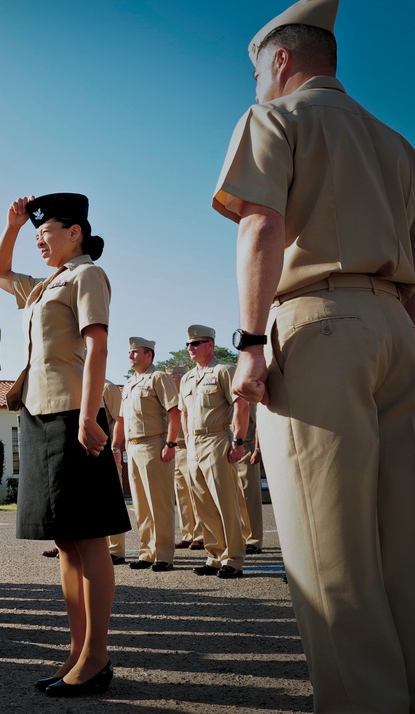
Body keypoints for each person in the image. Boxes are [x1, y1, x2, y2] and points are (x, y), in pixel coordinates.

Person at [214, 0, 415, 708]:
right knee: (401, 553)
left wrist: (246, 345)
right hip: (396, 324)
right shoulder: (395, 142)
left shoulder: (275, 117)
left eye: (259, 74)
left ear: (280, 61)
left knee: (330, 560)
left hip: (317, 326)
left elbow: (261, 222)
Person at [0, 193, 128, 697]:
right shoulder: (44, 285)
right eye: (36, 235)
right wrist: (11, 226)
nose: (38, 240)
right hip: (40, 414)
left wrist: (90, 415)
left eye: (46, 231)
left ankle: (97, 656)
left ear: (76, 232)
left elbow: (98, 346)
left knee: (89, 538)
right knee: (67, 540)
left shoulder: (86, 275)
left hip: (74, 414)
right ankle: (77, 650)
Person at [178, 326, 248, 579]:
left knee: (225, 502)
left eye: (196, 342)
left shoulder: (225, 371)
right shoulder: (187, 378)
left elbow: (241, 406)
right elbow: (183, 412)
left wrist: (238, 441)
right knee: (203, 504)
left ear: (211, 344)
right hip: (194, 444)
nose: (191, 348)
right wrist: (186, 438)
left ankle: (234, 559)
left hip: (217, 438)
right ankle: (215, 556)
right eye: (188, 344)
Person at [116, 337, 180, 572]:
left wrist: (170, 443)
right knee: (141, 504)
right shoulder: (130, 382)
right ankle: (147, 552)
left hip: (154, 444)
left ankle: (163, 554)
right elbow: (122, 420)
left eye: (135, 352)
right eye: (129, 352)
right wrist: (118, 445)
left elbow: (174, 412)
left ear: (148, 355)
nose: (130, 356)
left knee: (159, 502)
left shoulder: (159, 377)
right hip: (132, 448)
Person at [166, 365, 201, 551]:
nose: (169, 381)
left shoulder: (189, 394)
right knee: (182, 496)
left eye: (172, 377)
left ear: (180, 378)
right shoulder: (169, 398)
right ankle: (188, 534)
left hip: (189, 448)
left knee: (195, 493)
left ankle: (201, 534)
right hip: (175, 450)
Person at [102, 380, 128, 566]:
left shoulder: (107, 387)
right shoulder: (78, 383)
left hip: (106, 453)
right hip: (85, 453)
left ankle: (116, 551)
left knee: (112, 501)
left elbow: (120, 418)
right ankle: (99, 550)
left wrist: (115, 448)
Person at [234, 404, 263, 555]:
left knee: (248, 495)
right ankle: (243, 537)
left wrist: (258, 448)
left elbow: (258, 421)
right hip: (229, 447)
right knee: (236, 498)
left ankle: (254, 540)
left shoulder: (244, 391)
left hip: (246, 446)